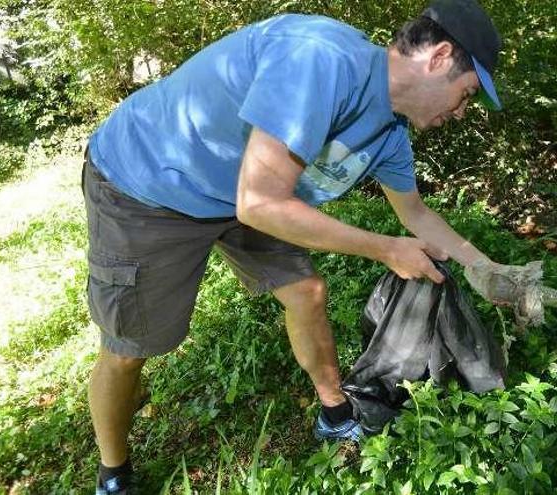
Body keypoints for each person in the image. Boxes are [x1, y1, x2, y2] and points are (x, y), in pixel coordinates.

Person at [85, 1, 510, 493]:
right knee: (131, 347)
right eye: (466, 95)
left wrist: (489, 271)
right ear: (437, 59)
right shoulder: (318, 59)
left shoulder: (389, 133)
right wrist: (386, 248)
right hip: (149, 184)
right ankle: (113, 472)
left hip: (246, 194)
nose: (459, 113)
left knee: (306, 292)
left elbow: (414, 214)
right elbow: (260, 203)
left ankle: (334, 410)